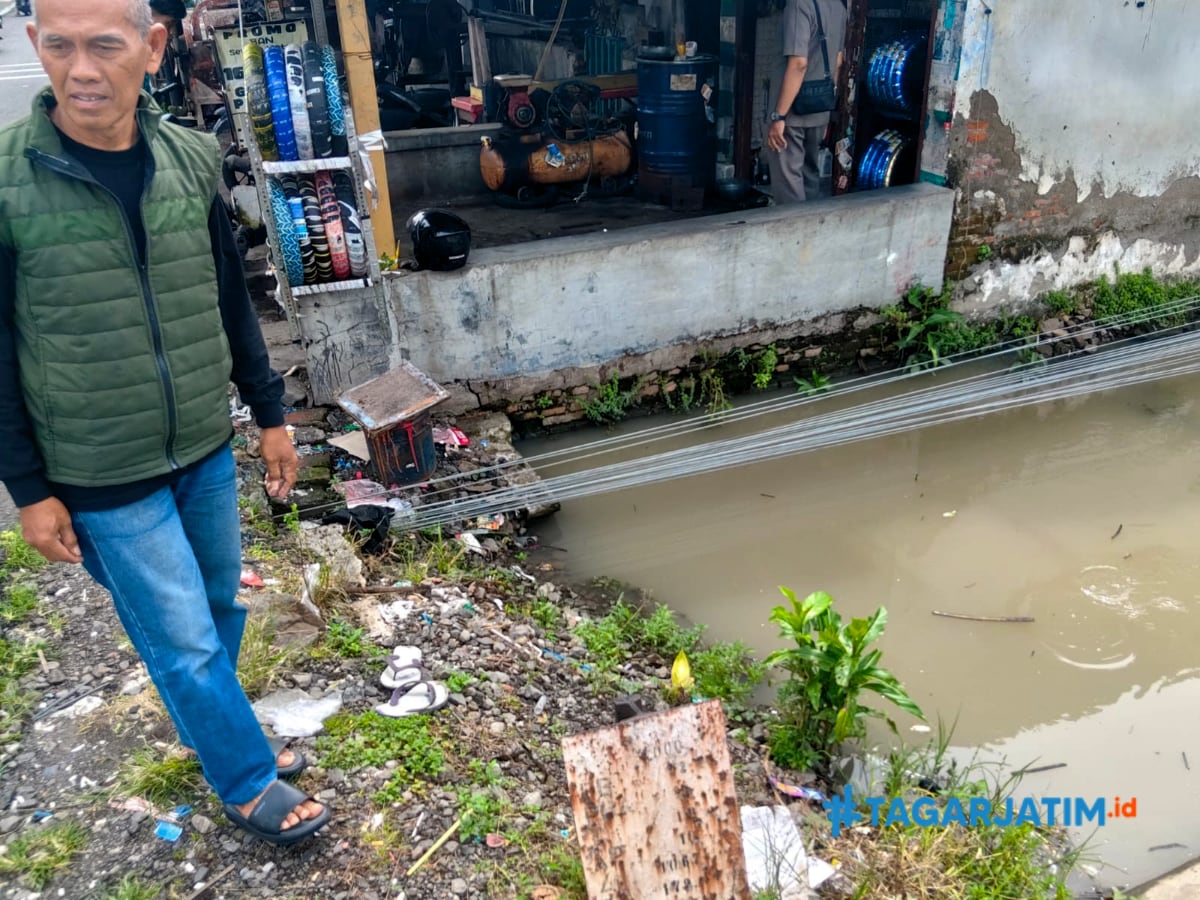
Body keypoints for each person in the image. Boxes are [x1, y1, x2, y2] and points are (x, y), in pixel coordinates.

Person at [0, 0, 327, 845]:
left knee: (217, 605)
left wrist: (269, 414)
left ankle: (212, 727)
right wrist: (28, 490)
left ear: (149, 50)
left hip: (201, 444)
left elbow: (232, 297)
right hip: (99, 467)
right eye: (61, 47)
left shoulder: (188, 156)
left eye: (104, 47)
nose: (81, 72)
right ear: (36, 45)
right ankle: (245, 778)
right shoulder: (7, 182)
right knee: (181, 636)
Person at [765, 0, 847, 204]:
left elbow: (798, 63)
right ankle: (812, 229)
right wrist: (826, 99)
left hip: (792, 112)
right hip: (819, 106)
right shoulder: (838, 7)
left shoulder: (799, 5)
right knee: (810, 174)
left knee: (788, 182)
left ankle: (793, 232)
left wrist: (779, 115)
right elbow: (838, 61)